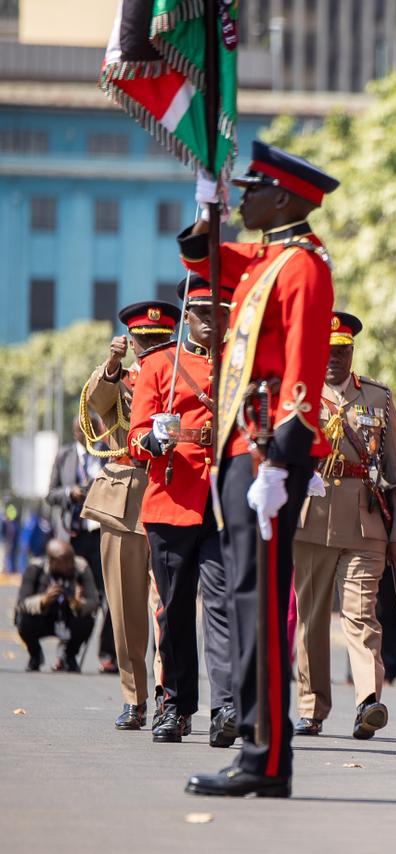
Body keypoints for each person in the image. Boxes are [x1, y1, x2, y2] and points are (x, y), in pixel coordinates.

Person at [180, 141, 338, 797]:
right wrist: (206, 201)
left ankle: (266, 758)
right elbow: (200, 258)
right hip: (243, 450)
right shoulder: (267, 261)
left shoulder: (302, 266)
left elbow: (301, 365)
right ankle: (257, 747)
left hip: (266, 452)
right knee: (248, 599)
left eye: (251, 190)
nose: (243, 199)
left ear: (288, 199)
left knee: (263, 606)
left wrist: (281, 456)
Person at [293, 311, 396, 740]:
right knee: (312, 618)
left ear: (351, 352)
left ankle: (367, 701)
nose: (333, 360)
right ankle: (312, 706)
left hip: (366, 522)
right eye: (326, 351)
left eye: (340, 351)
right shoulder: (299, 396)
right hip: (311, 520)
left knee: (361, 616)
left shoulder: (376, 398)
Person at [128, 277, 234, 745]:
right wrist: (153, 440)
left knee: (222, 607)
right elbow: (136, 439)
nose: (213, 322)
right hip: (171, 499)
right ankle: (175, 705)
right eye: (204, 313)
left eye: (221, 312)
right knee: (172, 611)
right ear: (187, 315)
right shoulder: (158, 365)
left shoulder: (241, 366)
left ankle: (226, 706)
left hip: (225, 502)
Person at [82, 300, 178, 730]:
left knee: (168, 606)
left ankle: (167, 694)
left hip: (170, 492)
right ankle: (133, 697)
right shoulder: (121, 377)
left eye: (159, 341)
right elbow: (93, 406)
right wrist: (111, 365)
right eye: (143, 341)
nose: (150, 348)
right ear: (131, 343)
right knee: (125, 609)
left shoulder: (182, 377)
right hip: (124, 499)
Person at [45, 419, 114, 673]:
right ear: (75, 432)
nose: (86, 435)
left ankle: (109, 654)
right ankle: (67, 654)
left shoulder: (107, 455)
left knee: (109, 597)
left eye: (91, 430)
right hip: (72, 539)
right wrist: (69, 493)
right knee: (70, 596)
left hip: (100, 535)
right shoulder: (64, 456)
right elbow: (50, 494)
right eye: (81, 430)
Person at [14, 540, 100, 672]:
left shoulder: (81, 567)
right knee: (22, 619)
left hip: (68, 618)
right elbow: (21, 603)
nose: (69, 564)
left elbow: (94, 602)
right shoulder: (35, 568)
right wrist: (43, 601)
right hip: (43, 618)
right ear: (52, 561)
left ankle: (69, 656)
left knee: (87, 620)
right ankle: (35, 655)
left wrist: (78, 604)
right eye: (64, 561)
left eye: (71, 559)